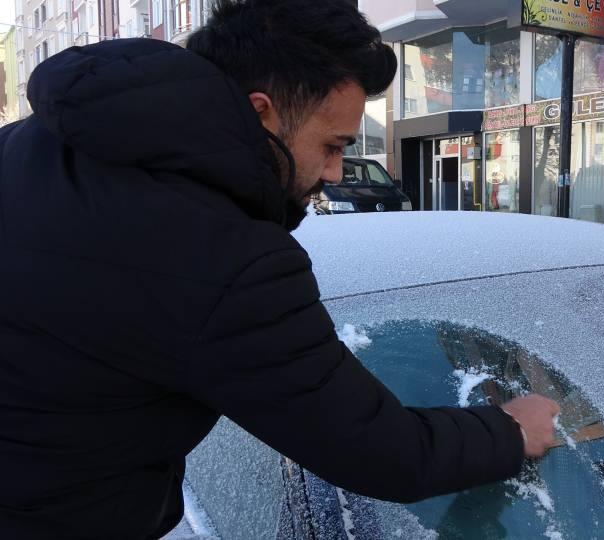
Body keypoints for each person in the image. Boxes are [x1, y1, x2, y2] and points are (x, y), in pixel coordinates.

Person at [0, 0, 560, 537]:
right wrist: (509, 430)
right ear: (259, 111)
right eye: (333, 145)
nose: (336, 172)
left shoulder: (32, 145)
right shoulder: (226, 259)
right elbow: (378, 450)